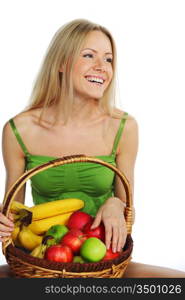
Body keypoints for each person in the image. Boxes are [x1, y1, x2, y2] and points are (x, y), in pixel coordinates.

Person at [0, 19, 185, 278]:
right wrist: (4, 224)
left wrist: (114, 203)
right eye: (89, 55)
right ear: (61, 63)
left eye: (109, 59)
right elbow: (13, 213)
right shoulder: (19, 130)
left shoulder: (124, 127)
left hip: (104, 263)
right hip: (41, 261)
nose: (102, 68)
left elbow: (128, 211)